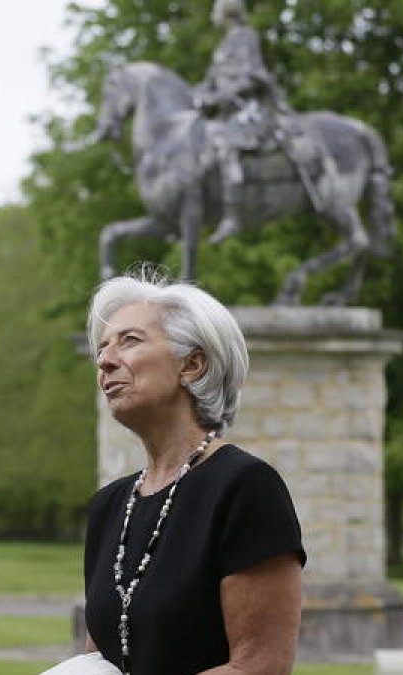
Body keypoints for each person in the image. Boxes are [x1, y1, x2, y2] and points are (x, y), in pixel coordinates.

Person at [80, 270, 305, 674]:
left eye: (129, 341)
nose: (105, 360)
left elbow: (259, 668)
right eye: (101, 348)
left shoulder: (245, 489)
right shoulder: (109, 506)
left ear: (193, 364)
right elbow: (99, 664)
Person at [193, 0, 292, 244]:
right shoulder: (223, 46)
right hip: (224, 116)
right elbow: (210, 81)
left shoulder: (246, 37)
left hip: (249, 112)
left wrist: (222, 96)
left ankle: (232, 216)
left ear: (226, 12)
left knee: (227, 148)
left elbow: (254, 76)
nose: (212, 15)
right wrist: (198, 94)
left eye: (215, 9)